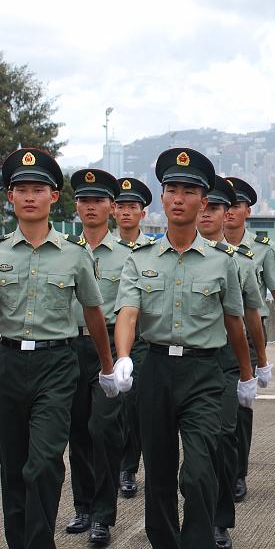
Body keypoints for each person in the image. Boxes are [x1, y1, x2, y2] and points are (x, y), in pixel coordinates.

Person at [0, 148, 118, 549]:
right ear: (11, 197)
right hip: (9, 366)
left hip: (57, 364)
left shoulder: (73, 255)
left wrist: (107, 368)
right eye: (21, 190)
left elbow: (93, 313)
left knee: (44, 464)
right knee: (14, 469)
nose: (30, 197)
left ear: (53, 197)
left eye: (38, 189)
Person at [112, 147, 256, 549]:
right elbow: (128, 312)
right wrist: (123, 360)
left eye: (189, 191)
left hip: (203, 374)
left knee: (197, 475)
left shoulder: (223, 263)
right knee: (157, 476)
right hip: (154, 370)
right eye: (172, 189)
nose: (179, 198)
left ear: (203, 201)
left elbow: (235, 324)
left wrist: (247, 376)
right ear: (162, 198)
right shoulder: (141, 258)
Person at [63, 169, 140, 548]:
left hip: (109, 346)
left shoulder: (128, 256)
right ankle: (82, 507)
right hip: (69, 346)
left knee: (103, 428)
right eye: (83, 200)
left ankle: (103, 515)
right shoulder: (64, 251)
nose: (90, 207)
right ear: (76, 206)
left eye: (97, 200)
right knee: (76, 429)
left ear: (111, 207)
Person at [197, 175, 269, 549]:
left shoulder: (238, 264)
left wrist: (256, 366)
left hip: (225, 363)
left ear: (227, 214)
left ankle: (219, 520)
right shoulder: (163, 257)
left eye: (215, 208)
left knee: (223, 439)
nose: (207, 214)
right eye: (203, 206)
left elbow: (253, 318)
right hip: (183, 365)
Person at [223, 177, 275, 501]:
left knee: (241, 406)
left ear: (247, 210)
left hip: (250, 337)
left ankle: (237, 473)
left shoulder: (262, 249)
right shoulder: (200, 242)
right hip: (211, 335)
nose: (228, 212)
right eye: (223, 205)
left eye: (236, 205)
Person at [114, 177, 156, 499]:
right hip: (104, 339)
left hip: (142, 341)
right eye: (122, 206)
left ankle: (128, 468)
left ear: (142, 214)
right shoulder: (100, 249)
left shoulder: (153, 251)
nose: (127, 212)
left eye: (133, 207)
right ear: (113, 211)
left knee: (133, 405)